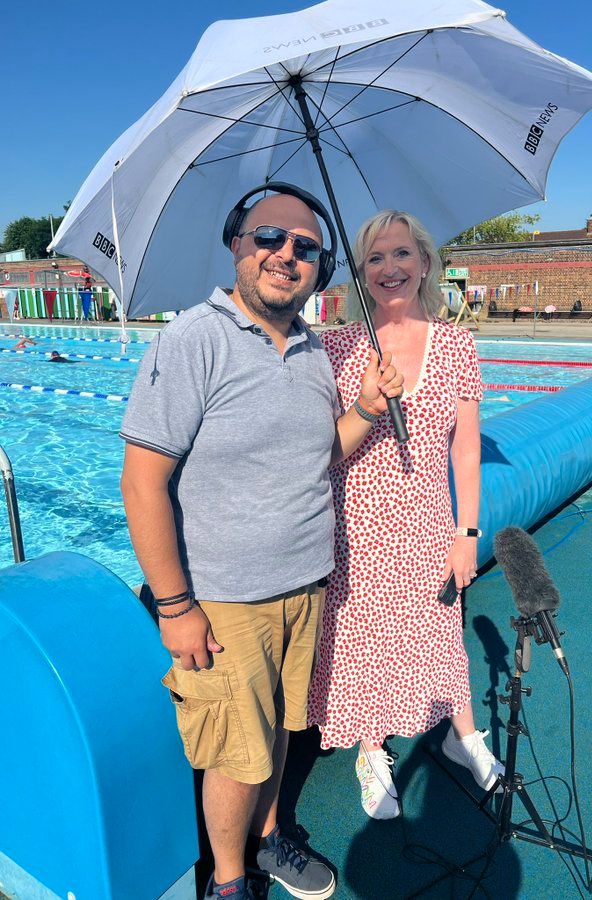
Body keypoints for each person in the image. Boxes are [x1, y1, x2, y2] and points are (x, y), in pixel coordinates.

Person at [119, 184, 403, 900]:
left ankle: (270, 836)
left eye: (304, 246)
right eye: (269, 237)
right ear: (236, 244)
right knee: (236, 756)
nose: (286, 254)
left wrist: (367, 406)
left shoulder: (310, 348)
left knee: (280, 731)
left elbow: (320, 455)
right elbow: (142, 482)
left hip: (303, 584)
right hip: (225, 600)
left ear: (320, 265)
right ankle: (228, 879)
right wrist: (178, 606)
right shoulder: (192, 340)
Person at [308, 210, 504, 820]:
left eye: (400, 255)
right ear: (360, 273)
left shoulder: (455, 344)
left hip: (426, 522)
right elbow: (320, 444)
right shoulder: (338, 346)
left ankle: (459, 729)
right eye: (374, 258)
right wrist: (365, 401)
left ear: (424, 263)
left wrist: (467, 532)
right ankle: (372, 748)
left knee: (442, 630)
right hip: (357, 522)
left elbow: (466, 448)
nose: (389, 268)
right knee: (364, 637)